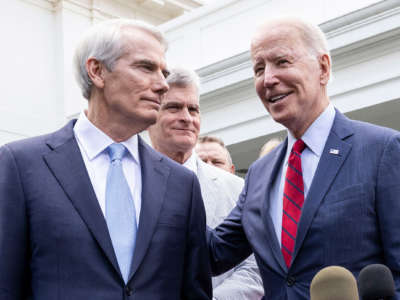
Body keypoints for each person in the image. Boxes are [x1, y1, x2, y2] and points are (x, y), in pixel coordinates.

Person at [0, 19, 211, 300]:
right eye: (146, 67)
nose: (162, 85)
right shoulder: (21, 164)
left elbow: (193, 290)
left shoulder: (182, 183)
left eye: (164, 72)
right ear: (97, 71)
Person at [207, 16, 400, 299]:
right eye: (258, 69)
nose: (268, 79)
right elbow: (213, 253)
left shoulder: (383, 150)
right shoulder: (259, 174)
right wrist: (162, 174)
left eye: (282, 62)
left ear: (323, 68)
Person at [148, 67, 263, 300]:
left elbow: (255, 266)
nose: (187, 117)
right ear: (150, 116)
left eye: (193, 109)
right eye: (173, 107)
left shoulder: (236, 188)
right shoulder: (128, 183)